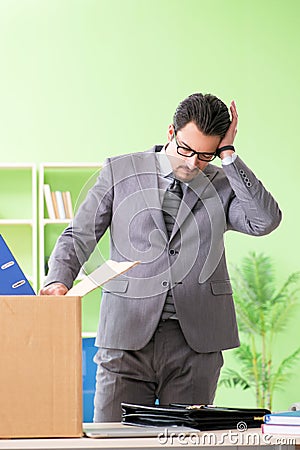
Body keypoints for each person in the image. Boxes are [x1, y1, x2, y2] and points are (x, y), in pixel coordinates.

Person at [40, 93, 282, 422]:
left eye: (206, 154)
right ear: (171, 132)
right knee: (111, 442)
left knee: (182, 444)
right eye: (186, 149)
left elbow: (264, 221)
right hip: (126, 336)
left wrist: (228, 156)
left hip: (195, 344)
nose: (193, 163)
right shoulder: (119, 170)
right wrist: (58, 280)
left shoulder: (223, 182)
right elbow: (79, 234)